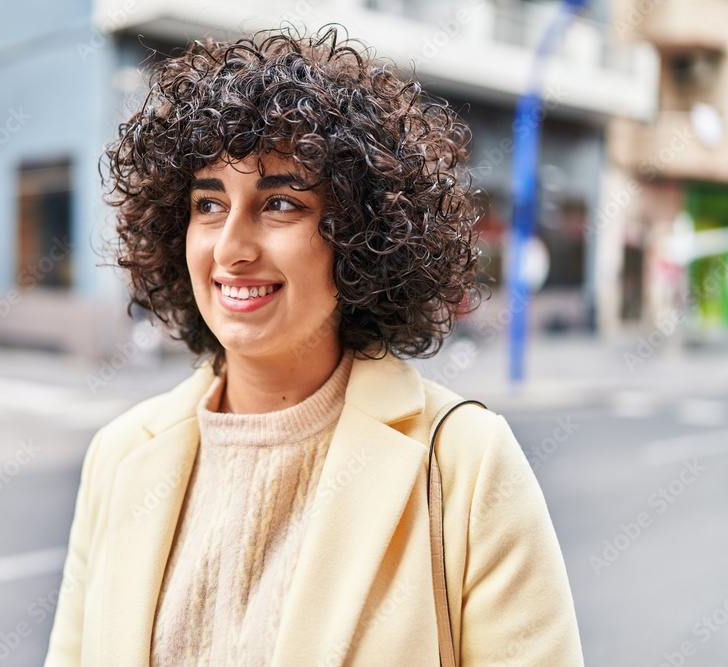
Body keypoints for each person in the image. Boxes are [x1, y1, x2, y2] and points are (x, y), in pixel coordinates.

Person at [43, 26, 585, 666]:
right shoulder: (119, 456)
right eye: (209, 204)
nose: (232, 249)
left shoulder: (467, 465)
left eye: (279, 203)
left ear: (360, 236)